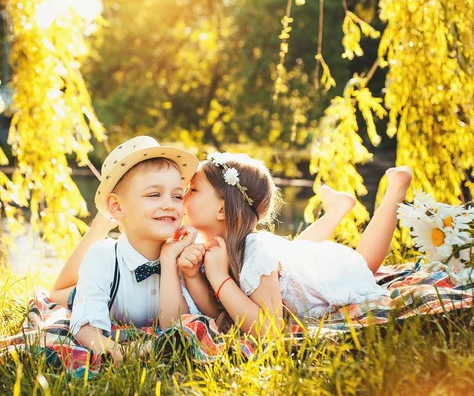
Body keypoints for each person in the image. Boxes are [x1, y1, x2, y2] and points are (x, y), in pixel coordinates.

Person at [178, 152, 412, 336]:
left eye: (194, 190)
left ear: (221, 209)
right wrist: (192, 275)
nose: (182, 195)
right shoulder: (212, 246)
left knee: (362, 264)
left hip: (325, 277)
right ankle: (337, 210)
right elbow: (219, 310)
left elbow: (268, 329)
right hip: (295, 263)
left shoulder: (255, 253)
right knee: (297, 250)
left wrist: (220, 278)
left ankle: (396, 189)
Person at [54, 136, 199, 362]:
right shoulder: (103, 257)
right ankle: (101, 224)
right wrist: (121, 352)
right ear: (117, 205)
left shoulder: (186, 256)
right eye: (154, 194)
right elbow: (84, 328)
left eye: (177, 196)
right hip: (101, 288)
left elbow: (177, 327)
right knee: (57, 295)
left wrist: (170, 260)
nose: (169, 204)